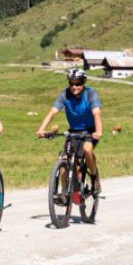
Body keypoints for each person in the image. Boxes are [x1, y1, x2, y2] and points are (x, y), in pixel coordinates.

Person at [36, 69, 103, 202]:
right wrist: (41, 129)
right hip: (74, 131)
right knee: (64, 160)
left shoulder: (90, 94)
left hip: (90, 130)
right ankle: (64, 193)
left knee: (87, 150)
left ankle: (94, 177)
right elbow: (52, 112)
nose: (74, 87)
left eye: (77, 84)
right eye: (71, 83)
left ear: (83, 83)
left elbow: (97, 114)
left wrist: (98, 132)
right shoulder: (65, 95)